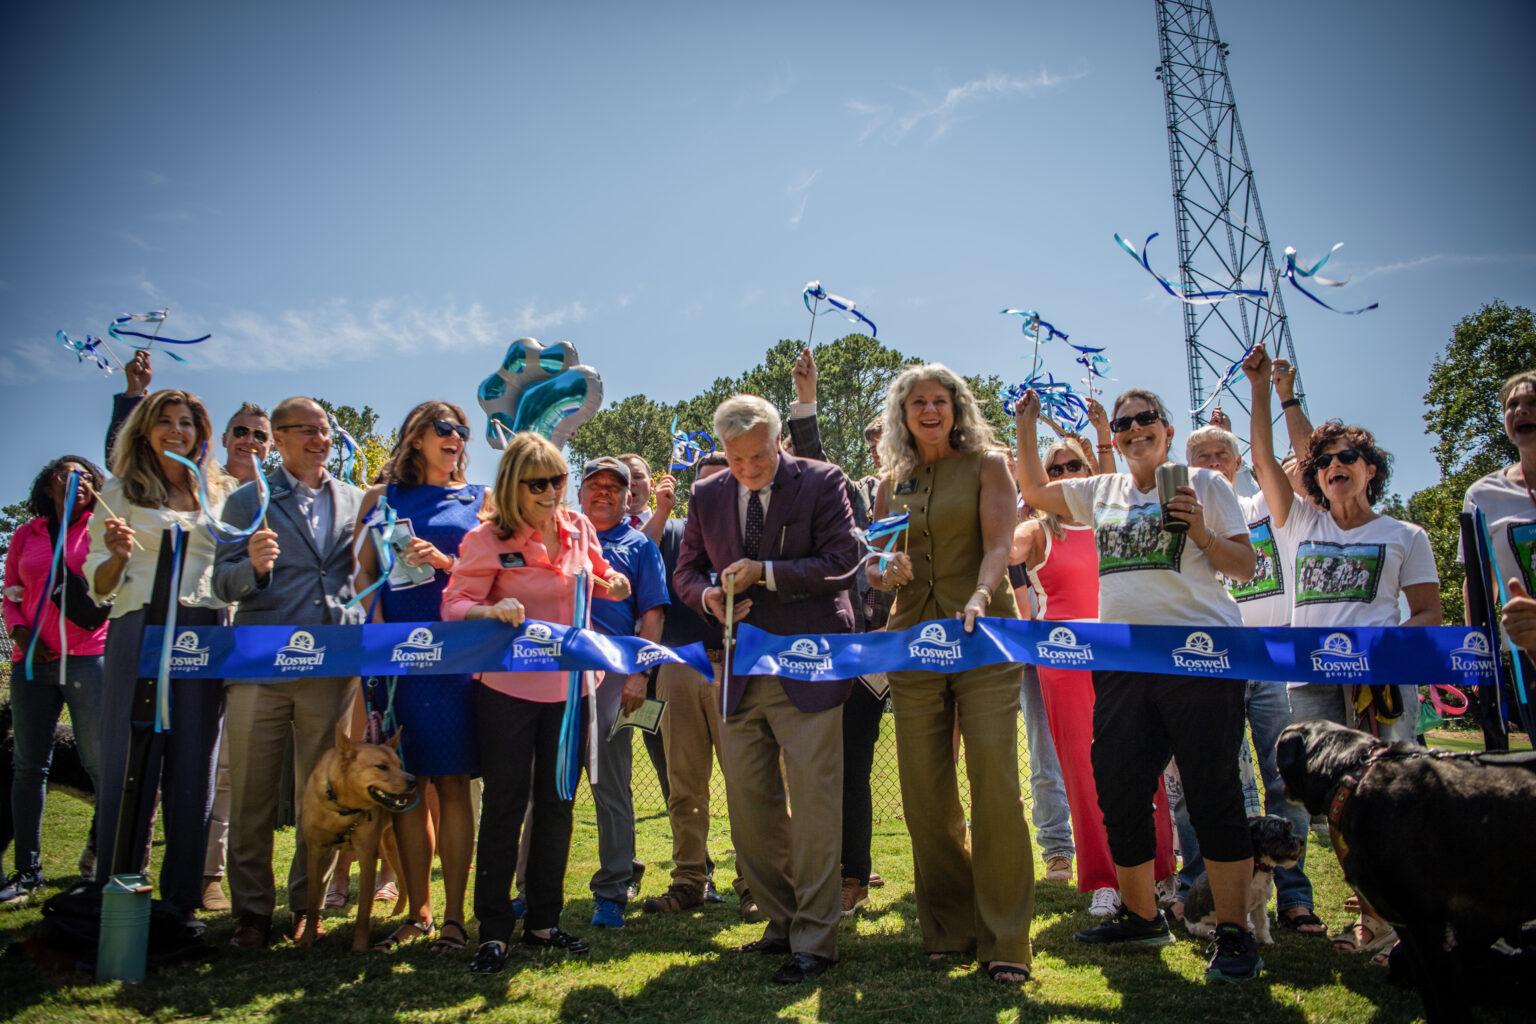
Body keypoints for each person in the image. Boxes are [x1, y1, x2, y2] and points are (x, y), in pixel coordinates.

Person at [1017, 382, 1264, 983]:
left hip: (1201, 659)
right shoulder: (1102, 489)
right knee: (1120, 789)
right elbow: (1036, 492)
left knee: (1212, 794)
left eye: (1145, 418)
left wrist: (1201, 532)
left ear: (1167, 430)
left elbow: (1244, 565)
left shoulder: (1205, 484)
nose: (1133, 429)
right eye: (1124, 423)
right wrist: (1026, 424)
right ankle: (1142, 916)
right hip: (1125, 663)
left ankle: (1234, 931)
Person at [1244, 345, 1440, 957]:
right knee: (1333, 799)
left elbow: (1428, 613)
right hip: (1311, 683)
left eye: (1347, 457)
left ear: (1371, 469)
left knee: (1389, 791)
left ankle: (1392, 917)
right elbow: (1264, 460)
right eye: (1324, 460)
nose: (1335, 465)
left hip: (1377, 683)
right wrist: (1262, 390)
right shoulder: (1303, 523)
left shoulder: (1405, 534)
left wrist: (1386, 649)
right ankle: (1370, 909)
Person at [674, 393, 858, 985]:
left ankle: (815, 940)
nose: (748, 468)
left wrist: (768, 574)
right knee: (751, 809)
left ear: (778, 440)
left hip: (809, 666)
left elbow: (844, 560)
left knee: (814, 808)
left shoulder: (823, 481)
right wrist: (707, 596)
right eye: (736, 458)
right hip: (738, 668)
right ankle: (780, 925)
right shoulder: (706, 493)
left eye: (758, 456)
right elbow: (686, 570)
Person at [868, 364, 1034, 985]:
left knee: (995, 785)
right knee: (923, 795)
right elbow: (877, 561)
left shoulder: (989, 465)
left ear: (957, 408)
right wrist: (884, 572)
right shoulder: (890, 483)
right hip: (913, 643)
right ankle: (948, 927)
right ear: (903, 415)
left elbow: (998, 544)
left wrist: (983, 594)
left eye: (940, 400)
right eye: (917, 402)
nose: (930, 410)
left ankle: (1006, 938)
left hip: (983, 638)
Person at [442, 432, 631, 975]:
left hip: (572, 691)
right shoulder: (486, 538)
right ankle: (493, 931)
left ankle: (544, 922)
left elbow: (595, 574)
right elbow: (454, 602)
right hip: (508, 690)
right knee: (505, 806)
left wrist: (611, 581)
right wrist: (490, 608)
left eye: (558, 480)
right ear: (512, 485)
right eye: (538, 484)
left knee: (558, 804)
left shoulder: (578, 527)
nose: (552, 492)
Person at [212, 397, 367, 948]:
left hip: (332, 668)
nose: (321, 439)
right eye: (307, 430)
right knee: (251, 797)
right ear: (277, 439)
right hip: (261, 667)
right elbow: (220, 582)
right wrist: (252, 568)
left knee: (321, 796)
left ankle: (307, 907)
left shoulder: (356, 501)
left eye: (326, 430)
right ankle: (252, 913)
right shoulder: (246, 501)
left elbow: (368, 574)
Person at [85, 390, 236, 925]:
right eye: (165, 422)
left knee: (196, 761)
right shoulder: (120, 491)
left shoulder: (221, 492)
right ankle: (116, 896)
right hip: (139, 628)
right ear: (145, 431)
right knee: (129, 759)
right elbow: (99, 582)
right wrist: (117, 556)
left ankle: (180, 902)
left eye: (187, 422)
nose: (177, 431)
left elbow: (231, 566)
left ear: (201, 433)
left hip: (204, 631)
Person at [1012, 435, 1178, 919]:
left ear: (1090, 473)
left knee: (1143, 765)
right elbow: (1003, 549)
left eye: (1074, 466)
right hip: (1064, 663)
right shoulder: (1036, 531)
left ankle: (1160, 873)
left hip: (1124, 658)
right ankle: (1104, 880)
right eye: (1055, 469)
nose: (1066, 476)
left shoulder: (1116, 521)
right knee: (1084, 774)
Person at [351, 401, 484, 954]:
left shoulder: (480, 499)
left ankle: (454, 918)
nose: (456, 437)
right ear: (415, 437)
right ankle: (419, 912)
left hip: (457, 661)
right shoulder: (380, 499)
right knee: (407, 787)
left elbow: (493, 574)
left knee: (453, 783)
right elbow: (362, 574)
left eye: (462, 430)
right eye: (444, 428)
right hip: (397, 663)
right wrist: (380, 639)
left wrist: (447, 564)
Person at [1185, 419, 1323, 936]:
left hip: (1270, 658)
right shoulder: (1181, 520)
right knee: (1206, 781)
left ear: (1239, 463)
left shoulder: (1262, 506)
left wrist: (1266, 392)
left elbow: (1277, 462)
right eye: (1202, 458)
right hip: (1210, 659)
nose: (1213, 464)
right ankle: (1199, 891)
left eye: (1222, 454)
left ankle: (1294, 897)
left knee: (1285, 778)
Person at [1, 456, 109, 904]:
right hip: (32, 663)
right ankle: (27, 872)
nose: (77, 481)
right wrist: (22, 635)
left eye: (87, 475)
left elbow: (113, 588)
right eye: (67, 473)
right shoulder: (26, 535)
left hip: (88, 658)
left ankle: (104, 867)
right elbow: (10, 594)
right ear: (48, 485)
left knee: (100, 765)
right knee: (28, 767)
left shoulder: (102, 528)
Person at [575, 456, 669, 930]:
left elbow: (653, 614)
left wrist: (640, 674)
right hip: (555, 678)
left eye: (615, 487)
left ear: (629, 497)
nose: (605, 492)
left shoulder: (639, 545)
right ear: (580, 493)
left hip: (613, 678)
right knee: (543, 789)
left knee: (610, 787)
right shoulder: (560, 537)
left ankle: (612, 890)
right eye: (595, 484)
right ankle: (531, 890)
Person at [642, 453, 732, 917]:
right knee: (684, 786)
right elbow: (636, 554)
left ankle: (757, 885)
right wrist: (661, 510)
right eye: (702, 487)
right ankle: (690, 881)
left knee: (751, 783)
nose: (711, 494)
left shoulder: (752, 532)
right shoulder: (673, 531)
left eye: (723, 484)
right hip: (678, 666)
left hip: (738, 667)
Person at [1462, 369, 1536, 691]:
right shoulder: (1483, 495)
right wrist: (1478, 654)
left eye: (1533, 402)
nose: (1521, 411)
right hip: (1526, 655)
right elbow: (1479, 582)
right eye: (1512, 405)